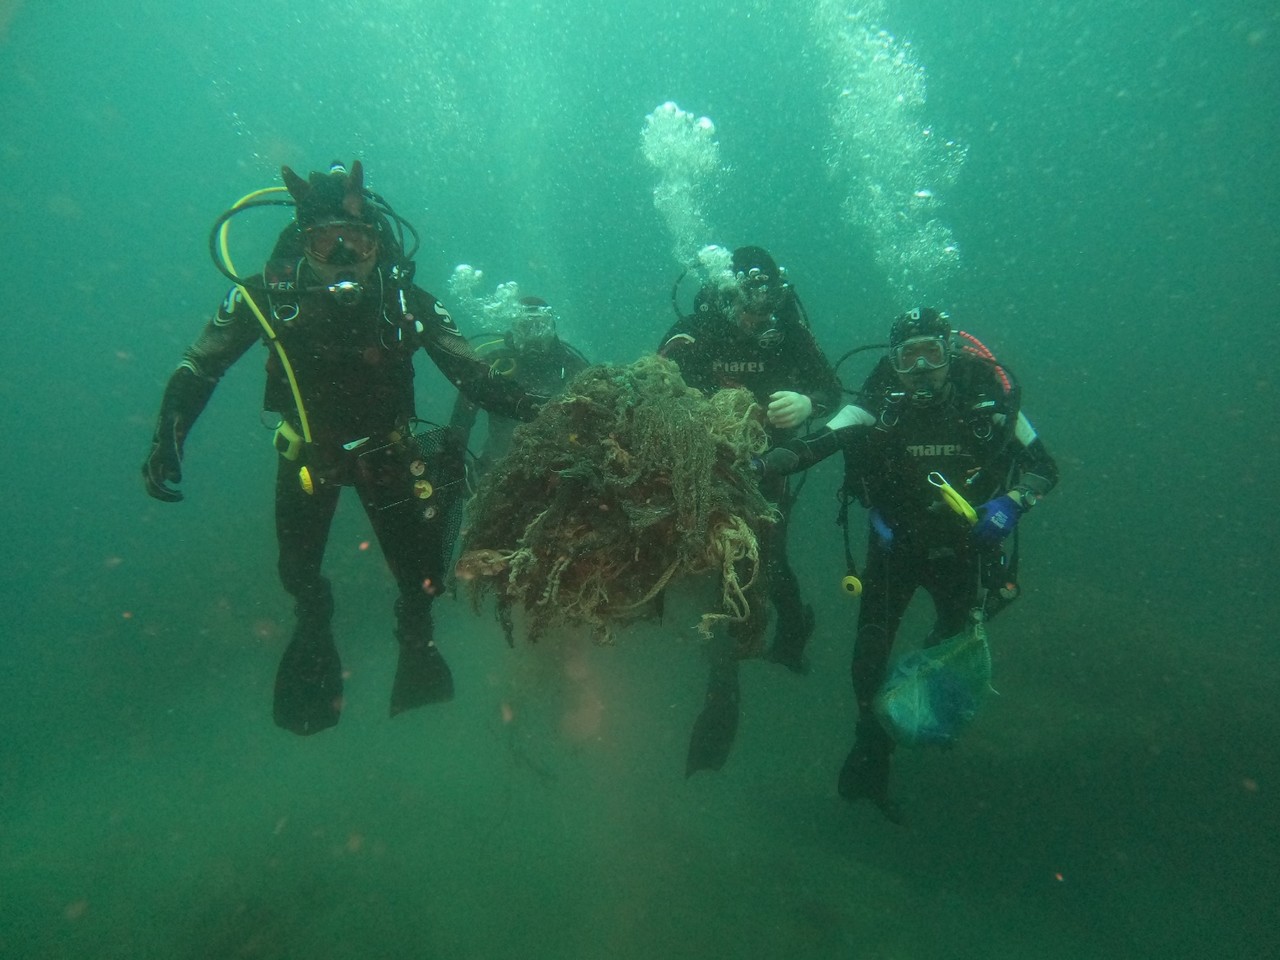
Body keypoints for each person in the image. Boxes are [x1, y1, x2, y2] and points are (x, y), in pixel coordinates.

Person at [141, 160, 544, 736]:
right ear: (301, 244)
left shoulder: (405, 299)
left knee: (422, 579)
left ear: (378, 243)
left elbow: (475, 376)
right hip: (309, 461)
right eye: (323, 241)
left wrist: (547, 411)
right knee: (300, 575)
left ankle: (416, 641)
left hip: (392, 457)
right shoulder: (264, 295)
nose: (342, 256)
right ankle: (314, 631)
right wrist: (168, 437)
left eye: (355, 239)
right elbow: (199, 366)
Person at [760, 307, 1059, 820]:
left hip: (967, 556)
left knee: (949, 650)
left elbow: (1043, 468)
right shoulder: (879, 400)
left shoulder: (988, 401)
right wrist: (755, 465)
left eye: (932, 353)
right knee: (869, 654)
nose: (921, 368)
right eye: (907, 357)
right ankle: (870, 741)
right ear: (893, 362)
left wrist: (1012, 503)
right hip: (895, 550)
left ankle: (913, 724)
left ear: (952, 353)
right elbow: (815, 446)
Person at [658, 245, 842, 672]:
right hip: (697, 469)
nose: (756, 316)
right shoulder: (692, 333)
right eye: (745, 302)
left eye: (768, 301)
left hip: (770, 468)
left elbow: (831, 392)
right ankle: (716, 649)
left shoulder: (791, 335)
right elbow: (654, 392)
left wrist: (805, 403)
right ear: (725, 294)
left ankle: (789, 636)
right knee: (702, 555)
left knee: (772, 559)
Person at [449, 296, 590, 474]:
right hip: (498, 469)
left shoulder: (571, 366)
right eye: (524, 327)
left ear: (552, 328)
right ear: (513, 328)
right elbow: (461, 420)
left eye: (540, 326)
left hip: (561, 470)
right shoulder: (493, 365)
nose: (533, 337)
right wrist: (455, 464)